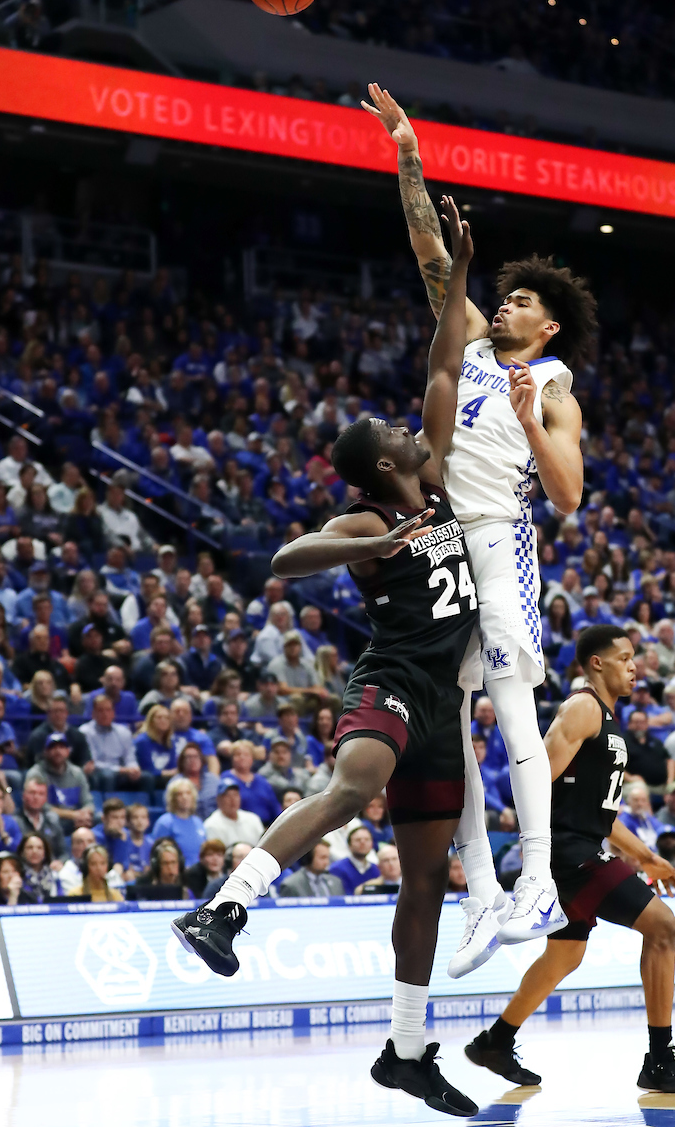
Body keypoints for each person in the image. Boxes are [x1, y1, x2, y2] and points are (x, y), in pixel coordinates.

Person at [173, 199, 480, 1119]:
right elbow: (283, 559)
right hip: (390, 681)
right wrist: (371, 551)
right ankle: (225, 907)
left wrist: (460, 267)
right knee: (352, 782)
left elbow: (445, 359)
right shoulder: (367, 520)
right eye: (395, 436)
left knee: (426, 882)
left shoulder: (431, 479)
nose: (408, 431)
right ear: (380, 463)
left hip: (445, 707)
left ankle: (408, 1049)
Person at [364, 87, 591, 972]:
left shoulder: (558, 380)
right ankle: (486, 891)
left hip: (500, 541)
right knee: (446, 720)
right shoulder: (469, 344)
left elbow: (568, 495)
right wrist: (408, 151)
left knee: (510, 707)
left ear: (550, 323)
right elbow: (427, 246)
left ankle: (537, 876)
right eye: (504, 295)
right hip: (445, 543)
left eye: (523, 299)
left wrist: (535, 420)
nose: (505, 306)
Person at [465, 625, 675, 1094]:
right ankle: (661, 1059)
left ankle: (495, 1043)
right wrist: (536, 853)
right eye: (625, 658)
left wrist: (647, 857)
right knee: (662, 927)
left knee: (566, 954)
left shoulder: (607, 718)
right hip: (569, 852)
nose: (635, 667)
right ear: (598, 663)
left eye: (634, 658)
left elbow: (604, 812)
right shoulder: (583, 707)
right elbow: (533, 777)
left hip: (582, 845)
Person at [80, 695, 153, 795]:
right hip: (99, 773)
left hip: (123, 772)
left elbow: (130, 758)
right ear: (93, 713)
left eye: (108, 710)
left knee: (147, 777)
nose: (105, 714)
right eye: (100, 710)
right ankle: (109, 807)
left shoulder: (124, 731)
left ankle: (144, 808)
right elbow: (94, 763)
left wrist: (134, 769)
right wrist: (121, 770)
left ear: (113, 713)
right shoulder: (85, 732)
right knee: (108, 776)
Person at [25, 734, 95, 833]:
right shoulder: (36, 773)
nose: (58, 751)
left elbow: (88, 801)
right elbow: (40, 806)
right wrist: (72, 815)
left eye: (61, 747)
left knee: (97, 818)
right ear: (45, 752)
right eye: (53, 747)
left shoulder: (77, 773)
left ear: (68, 751)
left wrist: (85, 813)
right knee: (52, 818)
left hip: (76, 819)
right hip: (51, 820)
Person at [151, 777, 208, 866]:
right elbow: (158, 854)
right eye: (179, 794)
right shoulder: (165, 823)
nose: (184, 797)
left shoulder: (198, 822)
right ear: (173, 798)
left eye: (188, 793)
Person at [223, 740, 281, 825]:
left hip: (266, 827)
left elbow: (275, 807)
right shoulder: (227, 779)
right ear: (232, 758)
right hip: (238, 826)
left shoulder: (262, 781)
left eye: (246, 754)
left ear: (252, 758)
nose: (242, 757)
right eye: (238, 754)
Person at [202, 775, 265, 849]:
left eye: (235, 795)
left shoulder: (253, 819)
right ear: (218, 800)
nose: (232, 800)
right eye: (227, 796)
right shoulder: (211, 825)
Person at [15, 776, 66, 859]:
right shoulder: (14, 821)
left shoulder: (53, 820)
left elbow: (63, 853)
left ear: (46, 798)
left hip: (51, 868)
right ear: (23, 795)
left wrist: (60, 862)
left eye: (41, 794)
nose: (36, 797)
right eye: (32, 793)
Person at [277, 840, 344, 897]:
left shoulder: (337, 882)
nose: (327, 862)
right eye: (322, 858)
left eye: (328, 858)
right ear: (308, 858)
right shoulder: (291, 885)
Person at [330, 825, 380, 893]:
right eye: (358, 840)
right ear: (349, 845)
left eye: (367, 839)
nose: (363, 843)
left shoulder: (377, 869)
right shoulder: (337, 869)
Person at [16, 831, 61, 900]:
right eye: (30, 848)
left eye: (39, 848)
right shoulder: (17, 876)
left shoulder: (54, 876)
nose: (35, 851)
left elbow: (61, 900)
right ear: (22, 852)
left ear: (45, 852)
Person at [57, 826, 96, 893]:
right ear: (72, 848)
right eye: (80, 842)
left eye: (90, 841)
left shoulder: (106, 870)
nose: (86, 846)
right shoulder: (65, 875)